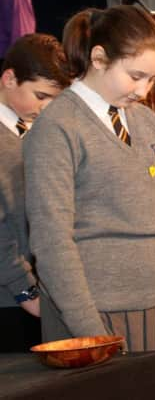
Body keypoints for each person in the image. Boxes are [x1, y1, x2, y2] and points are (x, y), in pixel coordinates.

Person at [24, 5, 155, 355]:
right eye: (136, 76)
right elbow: (51, 240)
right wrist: (93, 333)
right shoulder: (58, 126)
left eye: (152, 79)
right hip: (91, 318)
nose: (144, 90)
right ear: (99, 58)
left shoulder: (147, 122)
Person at [0, 33, 70, 352]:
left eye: (53, 100)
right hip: (10, 301)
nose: (45, 109)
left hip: (44, 290)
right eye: (40, 95)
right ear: (9, 78)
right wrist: (25, 290)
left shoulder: (39, 133)